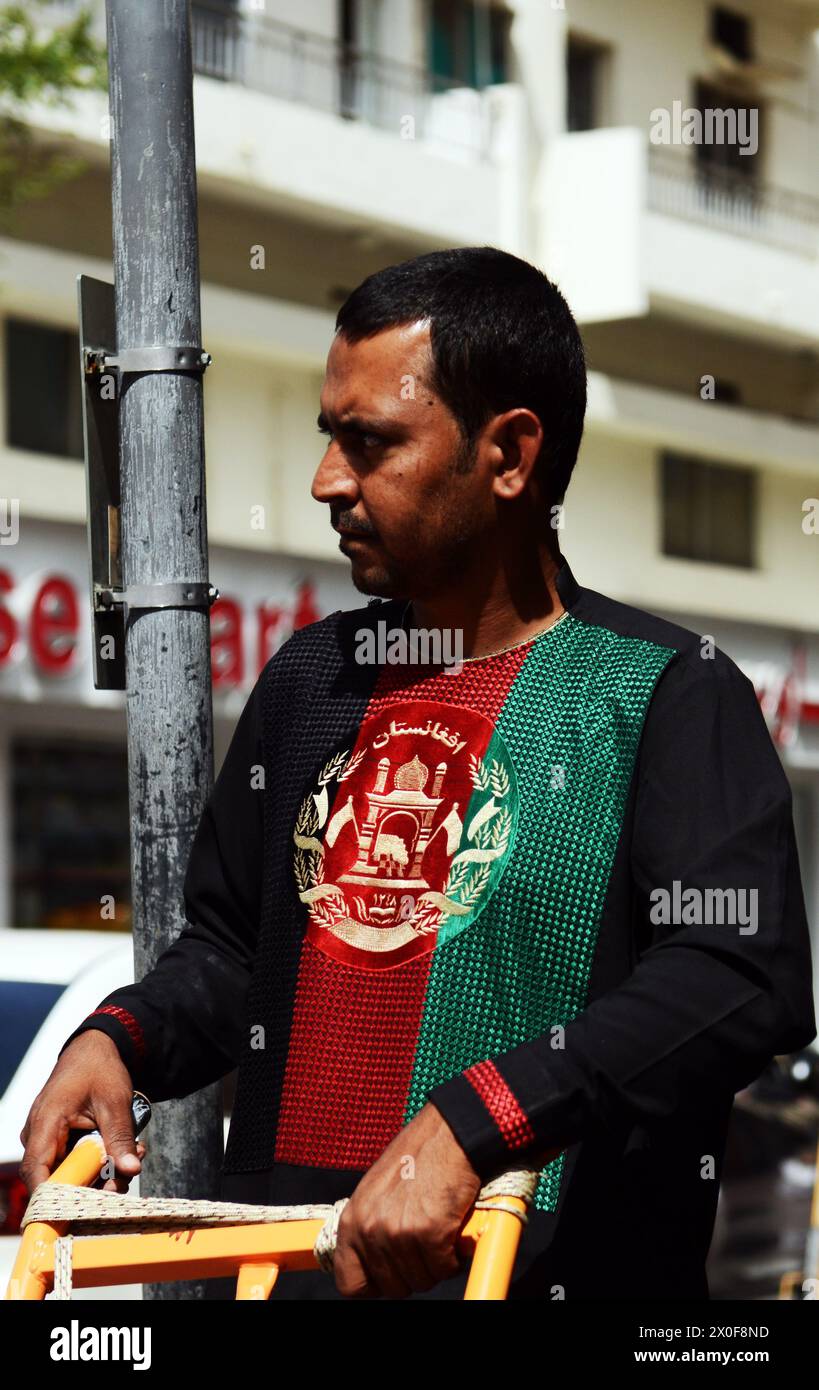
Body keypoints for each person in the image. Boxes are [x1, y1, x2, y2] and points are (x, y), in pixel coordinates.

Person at [20, 246, 816, 1300]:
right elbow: (227, 952)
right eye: (328, 438)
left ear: (510, 454)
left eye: (371, 442)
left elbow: (738, 978)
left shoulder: (663, 693)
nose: (326, 481)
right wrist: (119, 1037)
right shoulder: (310, 682)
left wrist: (480, 1115)